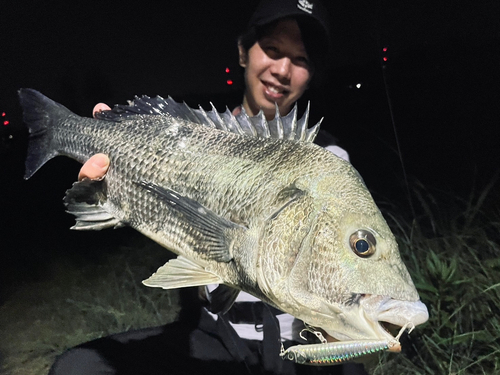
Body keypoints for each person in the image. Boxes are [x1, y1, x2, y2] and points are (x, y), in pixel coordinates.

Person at [52, 1, 363, 374]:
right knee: (78, 368)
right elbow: (167, 218)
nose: (282, 70)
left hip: (297, 343)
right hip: (214, 336)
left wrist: (343, 329)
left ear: (310, 75)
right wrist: (112, 189)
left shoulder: (328, 159)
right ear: (243, 52)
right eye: (274, 50)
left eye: (300, 60)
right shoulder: (192, 134)